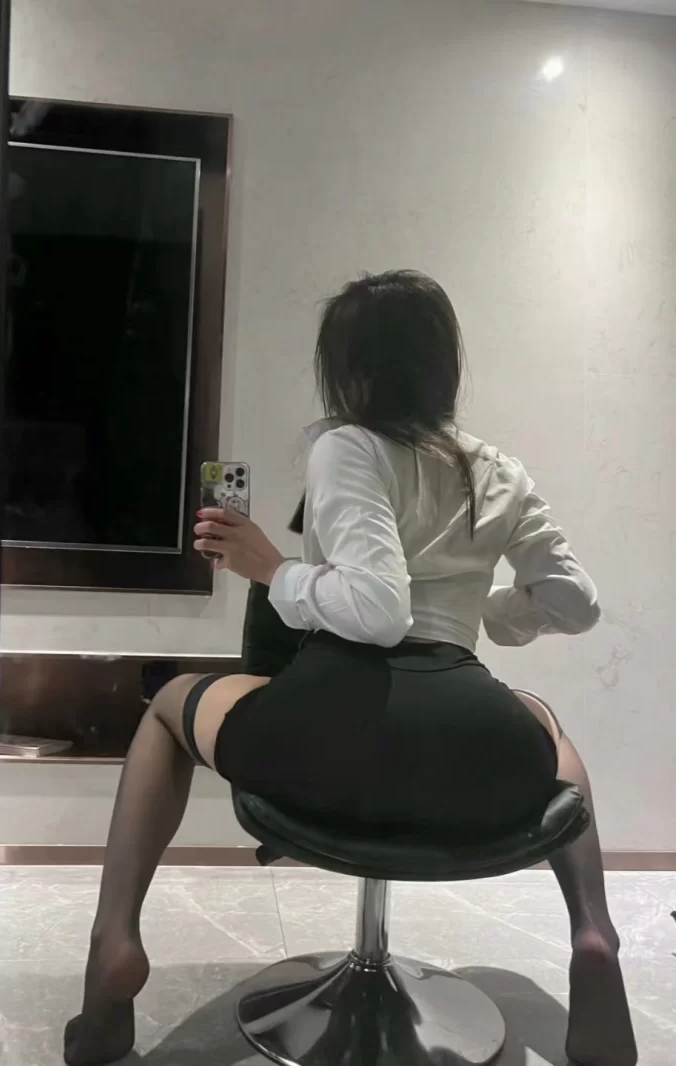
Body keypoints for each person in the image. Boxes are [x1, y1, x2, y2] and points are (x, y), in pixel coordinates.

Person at [64, 271, 637, 1066]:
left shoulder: (347, 446)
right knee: (545, 727)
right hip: (468, 730)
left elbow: (379, 611)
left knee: (168, 707)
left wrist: (272, 568)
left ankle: (114, 941)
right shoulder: (499, 470)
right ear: (442, 367)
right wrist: (496, 614)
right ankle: (594, 932)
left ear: (355, 373)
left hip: (341, 719)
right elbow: (577, 602)